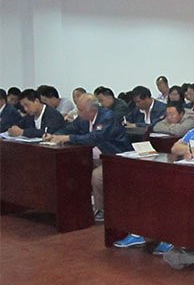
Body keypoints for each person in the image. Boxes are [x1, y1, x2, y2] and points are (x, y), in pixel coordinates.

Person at [43, 93, 132, 223]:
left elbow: (94, 138)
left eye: (80, 109)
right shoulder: (83, 118)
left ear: (91, 111)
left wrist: (68, 138)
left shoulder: (107, 117)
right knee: (70, 168)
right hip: (92, 156)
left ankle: (101, 210)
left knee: (97, 176)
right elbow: (69, 128)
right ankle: (75, 206)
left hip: (114, 157)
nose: (78, 112)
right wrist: (54, 135)